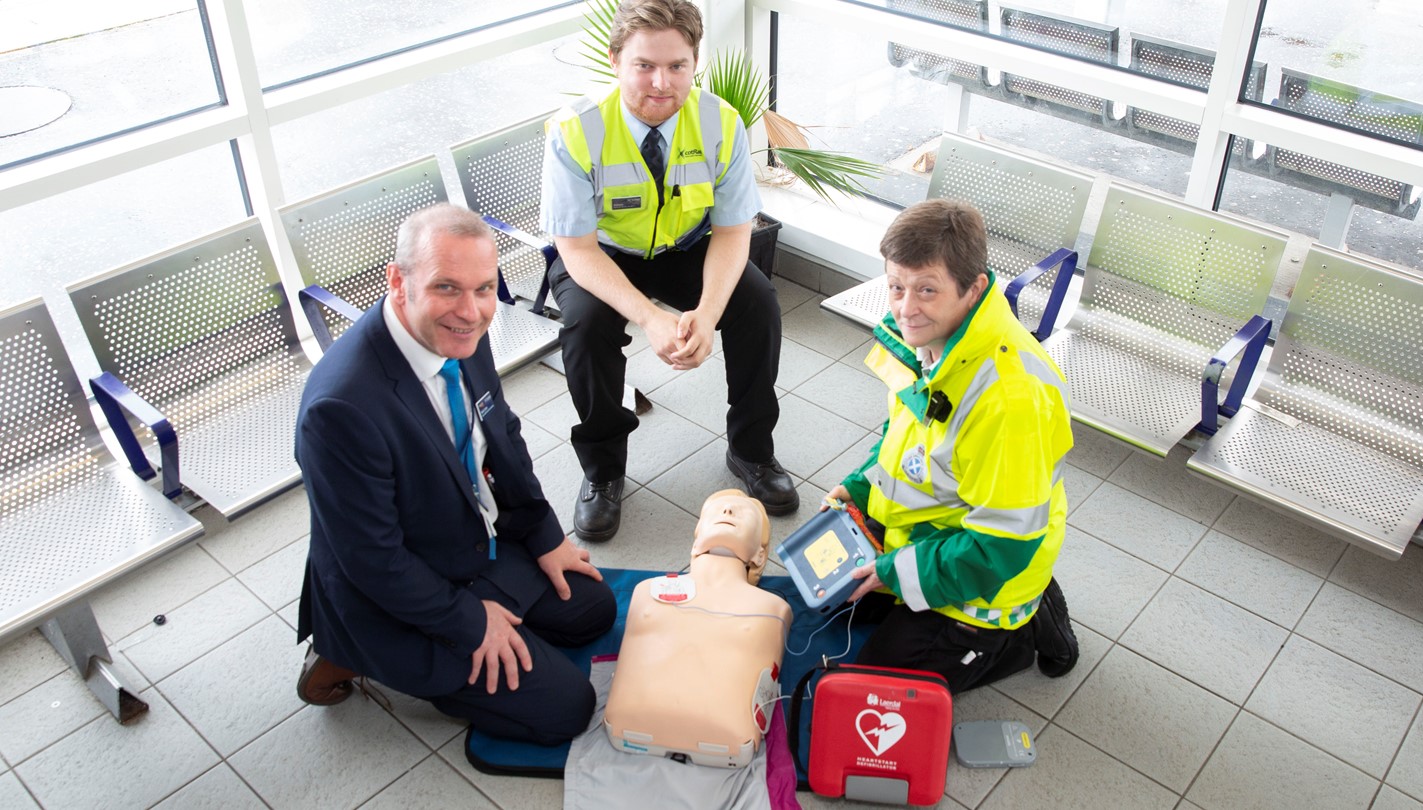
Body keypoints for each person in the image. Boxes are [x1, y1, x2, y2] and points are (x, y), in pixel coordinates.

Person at [293, 204, 617, 745]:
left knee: (592, 610)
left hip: (459, 537)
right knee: (566, 709)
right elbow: (373, 560)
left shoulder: (464, 326)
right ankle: (345, 651)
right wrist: (471, 622)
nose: (471, 311)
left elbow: (502, 432)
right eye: (447, 288)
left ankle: (492, 615)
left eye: (484, 288)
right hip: (394, 586)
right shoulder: (340, 408)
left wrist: (543, 535)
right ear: (398, 282)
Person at [540, 0, 797, 544]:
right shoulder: (575, 131)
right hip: (603, 255)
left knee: (757, 304)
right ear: (615, 60)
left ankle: (752, 451)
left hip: (687, 246)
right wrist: (652, 320)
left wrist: (705, 314)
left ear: (694, 62)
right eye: (644, 65)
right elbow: (577, 249)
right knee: (586, 330)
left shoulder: (720, 123)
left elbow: (732, 233)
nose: (662, 83)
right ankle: (603, 472)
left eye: (677, 66)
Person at [825, 198, 1079, 693]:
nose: (904, 308)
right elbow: (909, 438)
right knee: (831, 591)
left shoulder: (1009, 401)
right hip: (943, 531)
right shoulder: (936, 340)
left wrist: (897, 572)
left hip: (989, 575)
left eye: (926, 290)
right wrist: (858, 487)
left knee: (870, 687)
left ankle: (1020, 634)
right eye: (896, 286)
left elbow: (1002, 544)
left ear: (973, 288)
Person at [604, 489, 792, 767]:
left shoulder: (774, 608)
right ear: (695, 538)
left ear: (760, 555)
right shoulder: (647, 592)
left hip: (719, 735)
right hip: (634, 724)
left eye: (742, 512)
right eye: (718, 510)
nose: (727, 511)